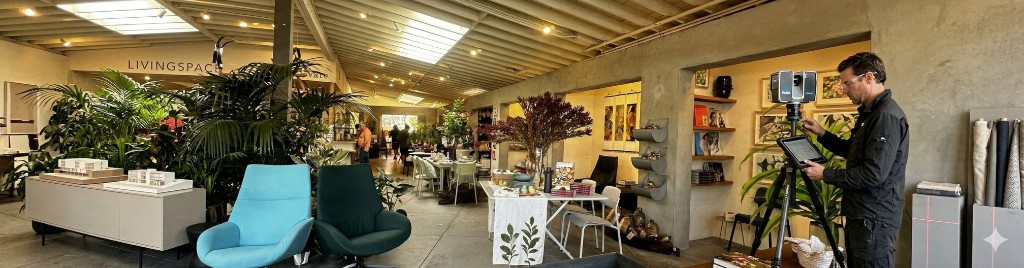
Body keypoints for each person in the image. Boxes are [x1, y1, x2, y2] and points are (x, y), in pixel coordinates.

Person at [799, 52, 908, 268]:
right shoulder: (871, 114)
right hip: (864, 215)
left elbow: (873, 173)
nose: (845, 90)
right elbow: (853, 152)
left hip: (874, 218)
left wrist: (825, 174)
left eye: (848, 83)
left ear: (868, 77)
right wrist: (823, 134)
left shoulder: (884, 117)